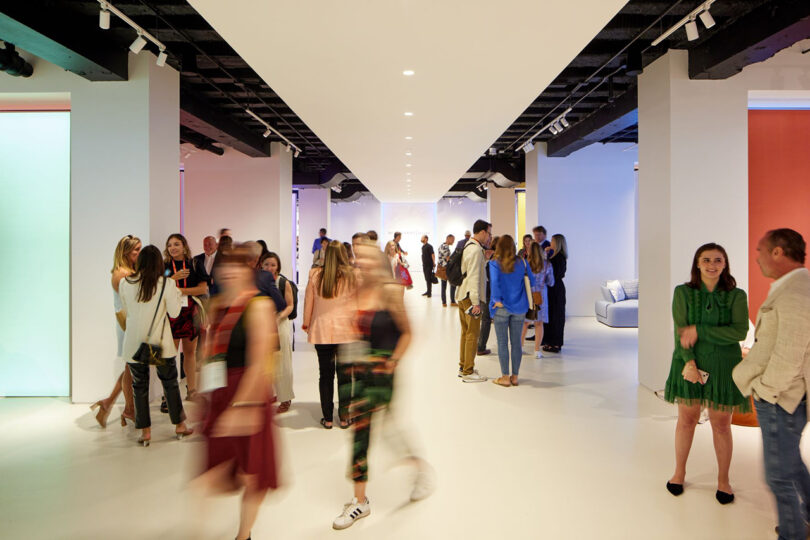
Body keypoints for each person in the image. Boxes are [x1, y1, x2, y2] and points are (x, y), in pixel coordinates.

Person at [332, 241, 434, 530]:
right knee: (366, 433)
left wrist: (391, 363)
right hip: (360, 372)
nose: (359, 263)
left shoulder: (391, 291)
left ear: (378, 261)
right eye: (357, 258)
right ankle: (362, 501)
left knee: (378, 431)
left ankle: (413, 470)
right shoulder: (355, 291)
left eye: (365, 258)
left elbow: (408, 334)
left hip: (383, 372)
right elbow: (353, 333)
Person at [195, 246, 278, 540]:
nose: (229, 271)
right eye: (224, 266)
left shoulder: (259, 305)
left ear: (249, 270)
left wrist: (240, 406)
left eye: (237, 266)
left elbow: (260, 363)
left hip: (248, 396)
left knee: (252, 475)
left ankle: (243, 535)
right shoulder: (217, 306)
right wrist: (202, 398)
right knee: (210, 473)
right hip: (220, 394)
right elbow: (208, 358)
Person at [733, 229, 810, 539]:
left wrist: (766, 391)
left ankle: (792, 533)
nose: (756, 256)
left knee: (778, 475)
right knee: (790, 464)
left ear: (778, 252)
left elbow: (792, 352)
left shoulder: (796, 291)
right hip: (785, 396)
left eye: (760, 250)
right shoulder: (793, 287)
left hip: (781, 399)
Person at [663, 243, 749, 504]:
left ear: (725, 265)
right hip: (689, 363)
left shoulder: (737, 295)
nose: (712, 265)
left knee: (721, 425)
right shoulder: (683, 293)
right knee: (686, 421)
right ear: (697, 264)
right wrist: (688, 362)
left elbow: (739, 333)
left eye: (718, 260)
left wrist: (699, 330)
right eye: (706, 260)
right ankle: (679, 473)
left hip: (724, 365)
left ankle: (723, 481)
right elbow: (681, 331)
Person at [119, 245, 193, 446]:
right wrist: (177, 294)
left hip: (134, 343)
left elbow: (127, 310)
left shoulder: (125, 283)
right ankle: (180, 425)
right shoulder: (167, 284)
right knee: (170, 383)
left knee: (139, 386)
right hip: (160, 343)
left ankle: (145, 432)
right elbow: (175, 313)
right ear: (159, 263)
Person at [303, 240, 358, 429]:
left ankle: (327, 419)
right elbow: (357, 304)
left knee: (325, 375)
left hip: (322, 330)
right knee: (344, 376)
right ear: (344, 255)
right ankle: (344, 418)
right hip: (346, 330)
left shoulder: (315, 274)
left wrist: (306, 323)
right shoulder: (353, 275)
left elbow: (308, 302)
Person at [90, 235, 141, 428]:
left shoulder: (129, 271)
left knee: (130, 367)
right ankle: (128, 409)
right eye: (136, 249)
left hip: (130, 322)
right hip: (127, 324)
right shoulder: (122, 274)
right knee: (131, 367)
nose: (139, 252)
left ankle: (109, 404)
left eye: (140, 248)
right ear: (126, 251)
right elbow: (132, 300)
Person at [165, 233, 210, 401]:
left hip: (191, 312)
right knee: (170, 355)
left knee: (190, 353)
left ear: (184, 246)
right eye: (170, 245)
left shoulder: (195, 264)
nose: (173, 248)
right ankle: (167, 396)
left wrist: (178, 290)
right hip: (171, 313)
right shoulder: (167, 266)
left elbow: (202, 289)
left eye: (176, 244)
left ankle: (192, 391)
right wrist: (172, 279)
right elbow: (160, 288)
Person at [488, 235, 530, 387]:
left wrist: (497, 300)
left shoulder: (494, 262)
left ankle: (505, 377)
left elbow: (494, 282)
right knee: (517, 343)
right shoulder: (522, 262)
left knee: (502, 343)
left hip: (501, 307)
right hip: (519, 307)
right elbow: (531, 280)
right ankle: (515, 377)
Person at [260, 252, 295, 413]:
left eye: (273, 265)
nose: (269, 267)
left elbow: (290, 305)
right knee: (266, 364)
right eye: (266, 264)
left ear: (278, 267)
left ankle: (286, 398)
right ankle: (270, 393)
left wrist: (279, 316)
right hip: (262, 325)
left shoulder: (283, 282)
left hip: (280, 325)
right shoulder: (258, 282)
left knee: (283, 363)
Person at [456, 219, 491, 382]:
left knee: (465, 332)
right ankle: (468, 371)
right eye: (489, 233)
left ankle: (464, 366)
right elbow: (474, 277)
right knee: (472, 334)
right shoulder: (476, 250)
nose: (489, 237)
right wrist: (476, 302)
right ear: (482, 232)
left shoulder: (469, 246)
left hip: (463, 294)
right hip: (471, 297)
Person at [522, 242, 554, 358]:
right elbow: (551, 282)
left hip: (527, 296)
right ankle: (536, 351)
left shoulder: (525, 264)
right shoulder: (547, 265)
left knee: (524, 323)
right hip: (541, 296)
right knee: (539, 324)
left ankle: (520, 347)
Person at [542, 234, 568, 353]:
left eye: (552, 241)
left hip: (556, 289)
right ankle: (550, 341)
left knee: (557, 316)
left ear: (557, 243)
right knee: (551, 315)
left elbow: (553, 273)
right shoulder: (554, 255)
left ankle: (556, 343)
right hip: (552, 288)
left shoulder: (559, 257)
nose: (550, 243)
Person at [477, 235, 497, 357]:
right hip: (489, 291)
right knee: (486, 319)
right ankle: (481, 346)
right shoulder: (491, 259)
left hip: (485, 291)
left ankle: (480, 346)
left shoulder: (486, 256)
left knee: (485, 319)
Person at [437, 234, 456, 307]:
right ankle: (452, 301)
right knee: (453, 284)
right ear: (448, 239)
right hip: (446, 269)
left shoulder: (442, 245)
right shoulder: (446, 247)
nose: (453, 241)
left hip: (442, 268)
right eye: (452, 240)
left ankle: (444, 302)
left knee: (443, 286)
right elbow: (448, 259)